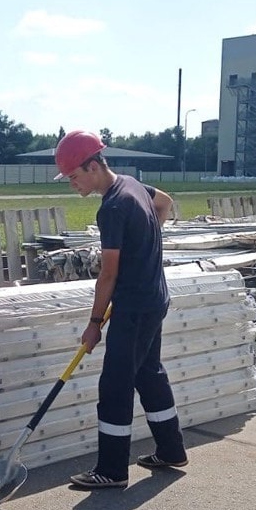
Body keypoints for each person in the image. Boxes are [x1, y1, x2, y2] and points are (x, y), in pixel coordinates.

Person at [53, 130, 188, 489]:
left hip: (133, 307)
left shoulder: (112, 207)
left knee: (115, 384)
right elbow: (165, 202)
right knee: (148, 373)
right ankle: (171, 450)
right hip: (155, 299)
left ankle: (111, 470)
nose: (72, 185)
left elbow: (108, 273)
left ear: (93, 166)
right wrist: (144, 243)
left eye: (74, 177)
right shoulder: (132, 185)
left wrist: (94, 322)